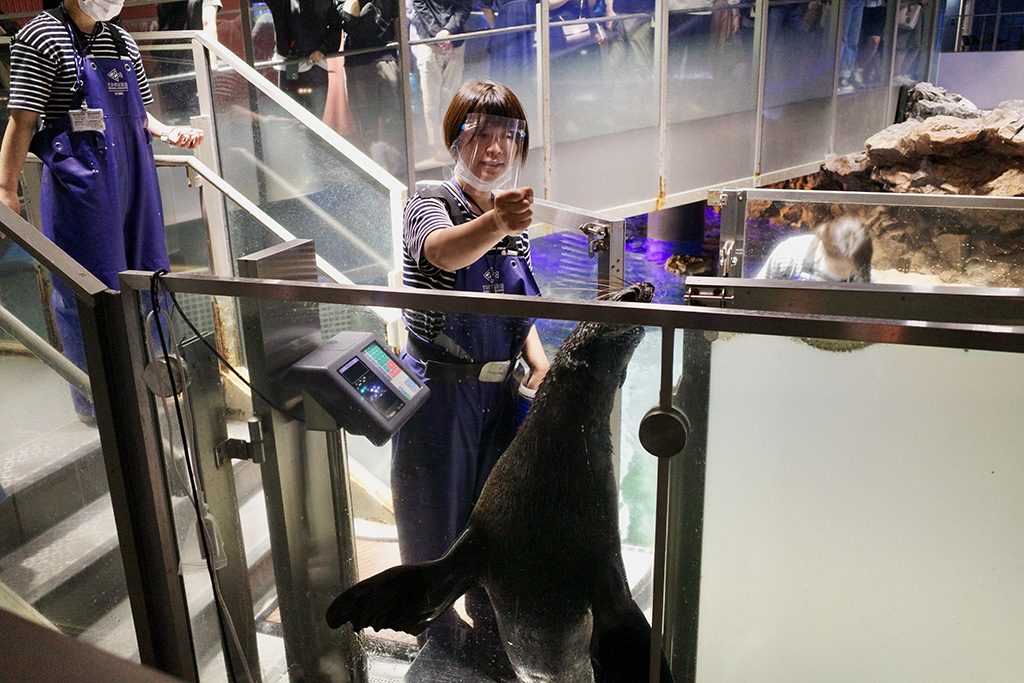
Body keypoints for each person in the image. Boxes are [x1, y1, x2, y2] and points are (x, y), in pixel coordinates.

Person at [390, 79, 549, 658]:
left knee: (497, 533)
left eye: (508, 135)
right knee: (433, 531)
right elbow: (441, 251)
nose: (495, 148)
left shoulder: (511, 219)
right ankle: (435, 648)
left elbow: (522, 309)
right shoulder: (428, 200)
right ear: (455, 138)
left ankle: (491, 642)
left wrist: (538, 362)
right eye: (480, 133)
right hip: (440, 395)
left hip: (502, 397)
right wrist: (497, 225)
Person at [0, 0, 203, 423]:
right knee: (91, 290)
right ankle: (97, 402)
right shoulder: (40, 35)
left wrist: (170, 131)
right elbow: (22, 119)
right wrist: (6, 188)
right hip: (82, 181)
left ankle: (160, 383)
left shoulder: (121, 39)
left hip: (136, 176)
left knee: (151, 276)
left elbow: (141, 113)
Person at [309, 0, 405, 176]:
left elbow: (376, 25)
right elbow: (352, 26)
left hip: (384, 57)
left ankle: (393, 169)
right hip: (361, 60)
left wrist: (355, 17)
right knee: (366, 121)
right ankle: (377, 170)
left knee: (393, 116)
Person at [410, 0, 471, 159]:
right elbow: (420, 6)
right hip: (430, 42)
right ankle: (436, 147)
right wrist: (440, 34)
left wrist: (448, 31)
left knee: (451, 98)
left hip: (455, 41)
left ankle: (451, 143)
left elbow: (464, 6)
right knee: (431, 100)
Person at [755, 216, 873, 282]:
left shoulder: (860, 272)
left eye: (853, 271)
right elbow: (756, 295)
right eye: (839, 268)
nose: (850, 273)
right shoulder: (789, 253)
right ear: (822, 245)